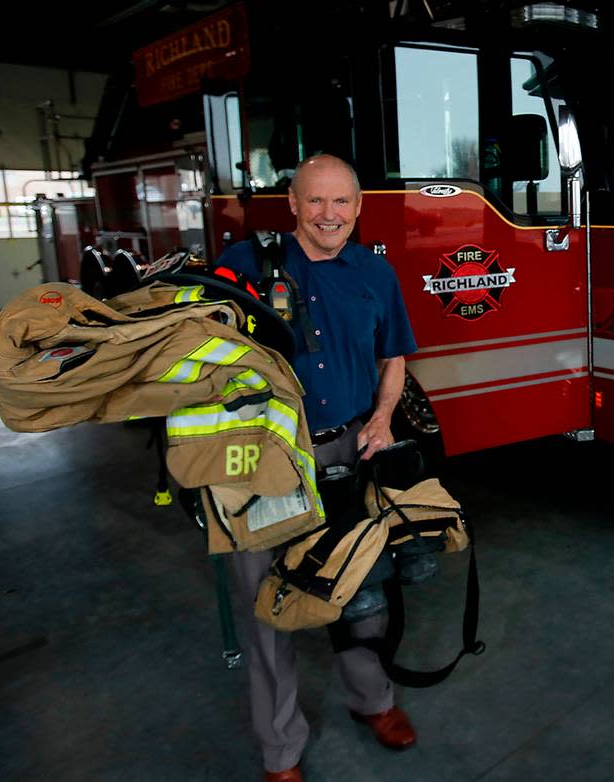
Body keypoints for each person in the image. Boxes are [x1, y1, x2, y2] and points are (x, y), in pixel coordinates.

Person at [216, 154, 419, 782]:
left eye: (341, 203)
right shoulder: (248, 263)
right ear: (293, 205)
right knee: (264, 602)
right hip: (263, 459)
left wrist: (382, 420)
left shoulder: (376, 272)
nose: (328, 215)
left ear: (358, 210)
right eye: (315, 201)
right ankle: (280, 751)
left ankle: (373, 702)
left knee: (359, 586)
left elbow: (394, 357)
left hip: (349, 451)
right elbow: (196, 344)